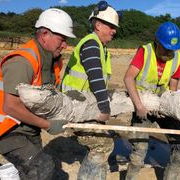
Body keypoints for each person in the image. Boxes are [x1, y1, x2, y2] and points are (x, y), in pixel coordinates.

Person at [0, 8, 76, 179]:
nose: (65, 45)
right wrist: (47, 124)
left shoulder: (53, 61)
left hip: (28, 127)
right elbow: (11, 107)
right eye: (62, 39)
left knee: (32, 171)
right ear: (44, 34)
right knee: (41, 166)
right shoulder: (22, 62)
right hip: (3, 129)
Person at [60, 1, 120, 179]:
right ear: (98, 24)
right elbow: (95, 78)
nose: (114, 31)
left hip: (83, 102)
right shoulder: (92, 44)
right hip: (76, 104)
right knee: (103, 145)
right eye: (111, 26)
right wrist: (104, 108)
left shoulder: (100, 46)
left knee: (102, 143)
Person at [123, 22, 180, 180]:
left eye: (171, 49)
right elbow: (128, 78)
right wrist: (139, 106)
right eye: (165, 48)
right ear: (157, 41)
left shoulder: (177, 58)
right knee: (139, 149)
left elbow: (172, 89)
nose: (168, 53)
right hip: (142, 106)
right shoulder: (145, 52)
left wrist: (174, 110)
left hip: (162, 107)